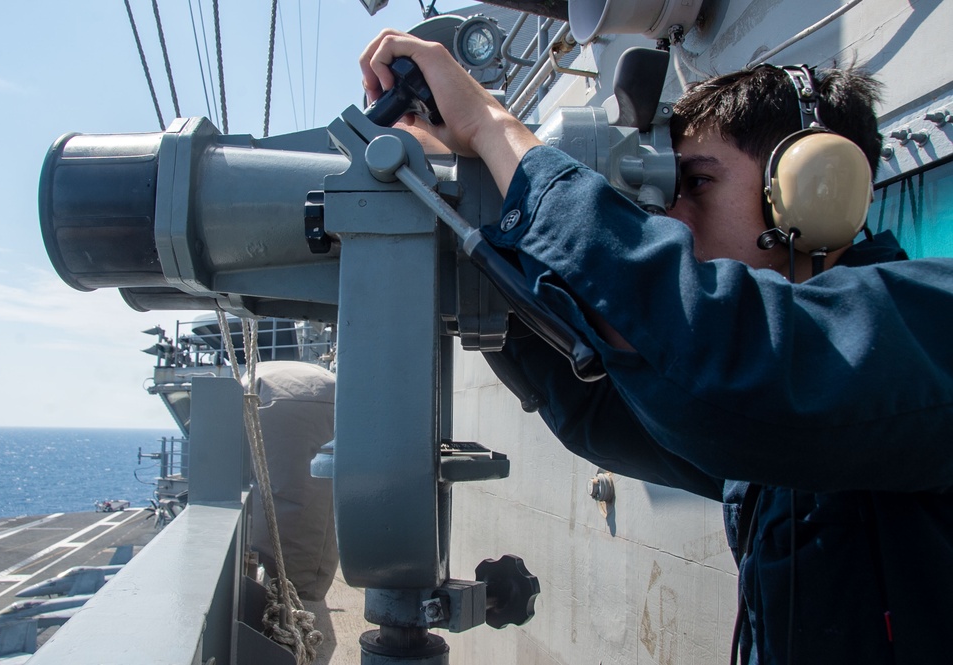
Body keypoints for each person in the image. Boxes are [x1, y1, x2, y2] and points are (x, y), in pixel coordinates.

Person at [361, 30, 953, 664]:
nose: (673, 221)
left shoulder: (931, 327)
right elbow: (601, 408)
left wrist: (489, 126)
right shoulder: (792, 397)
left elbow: (712, 354)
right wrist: (464, 230)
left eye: (697, 185)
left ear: (814, 187)